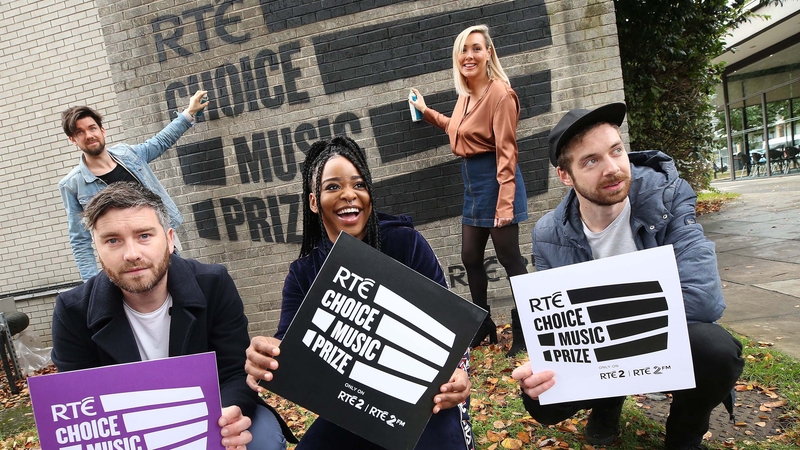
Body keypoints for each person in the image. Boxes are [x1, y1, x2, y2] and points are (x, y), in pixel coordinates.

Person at [511, 103, 744, 450]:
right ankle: (609, 401)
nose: (613, 168)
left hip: (663, 341)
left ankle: (684, 432)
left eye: (616, 150)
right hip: (624, 342)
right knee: (541, 400)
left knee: (715, 350)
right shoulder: (548, 233)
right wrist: (548, 360)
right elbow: (558, 323)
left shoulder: (667, 196)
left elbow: (703, 298)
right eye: (591, 161)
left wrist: (602, 330)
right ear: (565, 176)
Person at [245, 136, 475, 449]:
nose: (349, 194)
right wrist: (267, 355)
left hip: (420, 403)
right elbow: (289, 345)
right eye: (333, 186)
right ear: (313, 202)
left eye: (359, 184)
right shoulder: (303, 273)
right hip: (353, 407)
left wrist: (459, 376)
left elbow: (451, 326)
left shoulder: (405, 244)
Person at [50, 182, 295, 450]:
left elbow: (234, 370)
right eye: (112, 240)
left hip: (210, 413)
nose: (131, 254)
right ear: (97, 249)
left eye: (144, 235)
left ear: (169, 240)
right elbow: (81, 404)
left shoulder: (213, 284)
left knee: (262, 439)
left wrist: (229, 414)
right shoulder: (72, 311)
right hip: (129, 431)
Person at [409, 25, 528, 355]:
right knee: (470, 256)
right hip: (473, 184)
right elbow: (457, 128)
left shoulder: (501, 94)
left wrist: (505, 203)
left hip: (497, 180)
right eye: (464, 49)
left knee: (509, 258)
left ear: (489, 53)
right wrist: (426, 111)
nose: (469, 55)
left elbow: (507, 151)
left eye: (476, 48)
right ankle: (483, 323)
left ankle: (527, 329)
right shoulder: (465, 95)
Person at [59, 91, 207, 281]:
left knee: (182, 287)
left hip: (158, 243)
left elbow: (160, 142)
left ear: (102, 130)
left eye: (92, 128)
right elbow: (80, 240)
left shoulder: (127, 155)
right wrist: (91, 284)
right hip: (124, 259)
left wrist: (189, 113)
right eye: (80, 132)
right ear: (72, 139)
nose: (89, 135)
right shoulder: (72, 185)